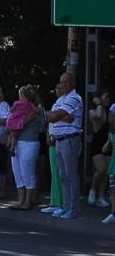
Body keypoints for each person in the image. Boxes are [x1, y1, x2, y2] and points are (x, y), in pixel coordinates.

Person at [45, 72, 84, 219]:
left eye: (66, 82)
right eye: (61, 82)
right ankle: (66, 206)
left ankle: (74, 209)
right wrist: (58, 115)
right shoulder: (61, 99)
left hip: (70, 139)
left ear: (72, 83)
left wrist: (56, 115)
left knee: (71, 175)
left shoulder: (75, 98)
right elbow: (51, 117)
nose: (63, 85)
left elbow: (54, 116)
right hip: (59, 140)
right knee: (62, 175)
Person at [6, 86, 43, 211]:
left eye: (22, 95)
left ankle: (28, 201)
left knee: (28, 173)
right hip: (18, 144)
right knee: (18, 173)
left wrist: (12, 127)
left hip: (29, 143)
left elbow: (21, 122)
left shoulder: (35, 109)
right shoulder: (19, 107)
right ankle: (21, 200)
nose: (20, 98)